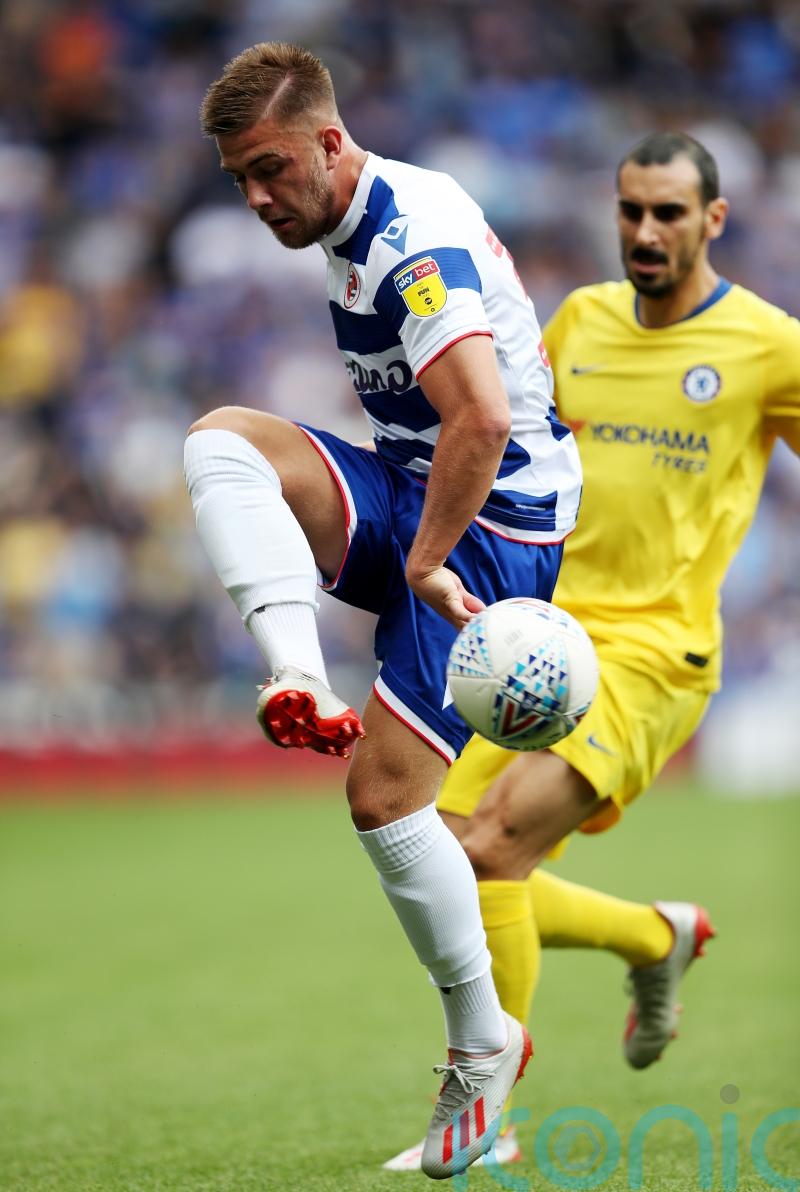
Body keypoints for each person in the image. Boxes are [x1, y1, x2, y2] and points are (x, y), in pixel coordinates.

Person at [183, 41, 583, 1179]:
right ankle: (296, 674)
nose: (257, 198)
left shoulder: (411, 242)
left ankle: (479, 1046)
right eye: (237, 181)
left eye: (268, 170)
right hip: (418, 484)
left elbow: (482, 419)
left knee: (383, 802)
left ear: (326, 140)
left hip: (490, 525)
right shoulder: (351, 216)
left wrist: (424, 561)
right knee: (221, 441)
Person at [384, 130, 800, 1171]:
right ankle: (655, 938)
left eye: (667, 213)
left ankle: (484, 1119)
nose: (644, 232)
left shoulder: (766, 345)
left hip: (655, 653)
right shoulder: (576, 322)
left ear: (712, 220)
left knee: (485, 855)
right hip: (540, 632)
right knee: (440, 853)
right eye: (630, 210)